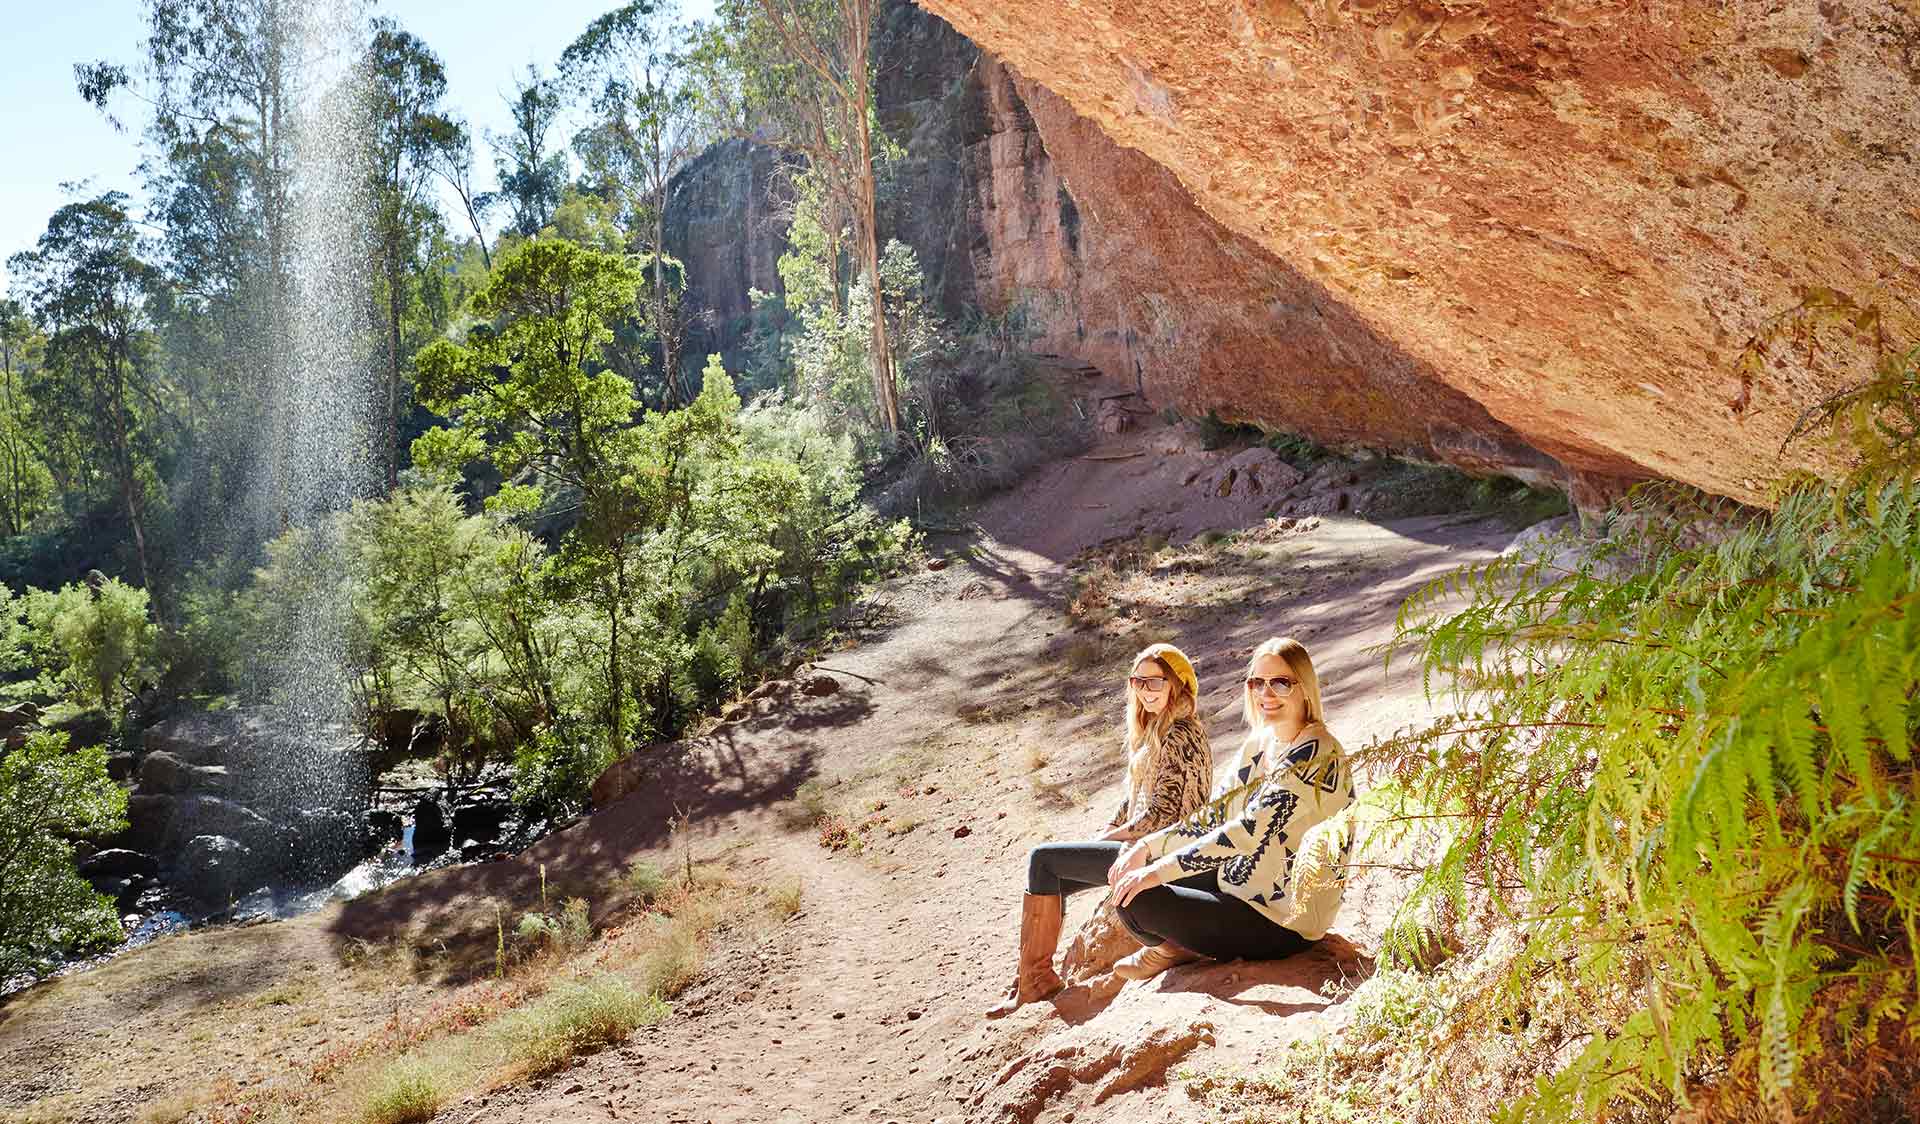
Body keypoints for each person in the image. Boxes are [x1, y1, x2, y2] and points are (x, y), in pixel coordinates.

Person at [1103, 636, 1356, 981]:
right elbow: (1215, 814)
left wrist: (1156, 871)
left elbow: (1248, 832)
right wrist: (1147, 848)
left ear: (1305, 688)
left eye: (1281, 682)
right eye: (1258, 683)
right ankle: (1182, 944)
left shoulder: (1316, 755)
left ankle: (1181, 946)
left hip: (1283, 919)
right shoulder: (1261, 741)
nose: (1266, 694)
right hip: (1236, 883)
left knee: (1137, 899)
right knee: (1130, 881)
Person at [986, 642, 1211, 1017]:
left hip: (1163, 849)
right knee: (1050, 873)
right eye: (1138, 682)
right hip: (1141, 843)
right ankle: (1033, 978)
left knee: (1043, 861)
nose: (1145, 691)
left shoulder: (1180, 733)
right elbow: (1135, 800)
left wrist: (1111, 839)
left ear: (1177, 684)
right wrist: (1110, 828)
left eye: (1155, 682)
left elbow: (1165, 813)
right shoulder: (1156, 730)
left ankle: (1035, 980)